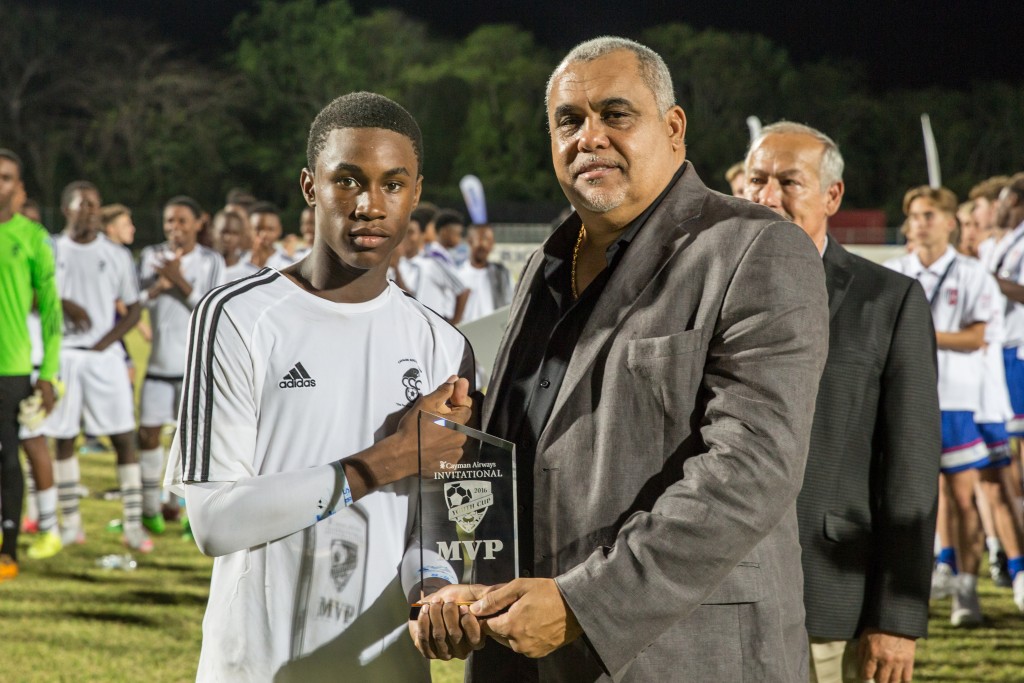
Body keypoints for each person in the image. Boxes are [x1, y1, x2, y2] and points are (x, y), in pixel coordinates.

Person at [415, 36, 829, 681]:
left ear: (672, 127)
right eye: (568, 120)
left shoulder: (754, 249)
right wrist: (461, 578)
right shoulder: (543, 265)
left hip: (681, 651)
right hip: (522, 652)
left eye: (616, 114)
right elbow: (522, 451)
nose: (590, 137)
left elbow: (751, 469)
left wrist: (584, 603)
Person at [164, 91, 476, 681]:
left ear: (415, 192)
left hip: (383, 668)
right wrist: (385, 460)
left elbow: (431, 529)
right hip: (254, 664)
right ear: (311, 188)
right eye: (348, 181)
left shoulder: (442, 344)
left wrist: (437, 588)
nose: (369, 205)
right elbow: (214, 521)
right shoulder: (235, 316)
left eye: (392, 184)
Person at [745, 122, 940, 682]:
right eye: (756, 180)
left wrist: (897, 618)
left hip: (827, 599)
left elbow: (910, 469)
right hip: (703, 598)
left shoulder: (889, 300)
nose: (767, 196)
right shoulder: (702, 289)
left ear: (832, 195)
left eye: (788, 181)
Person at [885, 185, 999, 627]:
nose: (920, 223)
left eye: (929, 215)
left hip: (955, 401)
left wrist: (922, 336)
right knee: (909, 499)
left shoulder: (972, 274)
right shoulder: (896, 272)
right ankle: (922, 580)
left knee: (964, 500)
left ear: (950, 222)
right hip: (906, 398)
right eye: (914, 215)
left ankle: (966, 591)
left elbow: (976, 336)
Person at [44, 181, 149, 551]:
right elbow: (33, 296)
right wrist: (65, 304)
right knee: (63, 438)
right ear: (66, 209)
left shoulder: (116, 255)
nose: (89, 211)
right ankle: (71, 523)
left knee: (123, 437)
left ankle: (133, 524)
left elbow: (134, 308)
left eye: (94, 204)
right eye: (82, 204)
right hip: (63, 357)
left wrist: (107, 341)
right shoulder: (50, 248)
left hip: (104, 358)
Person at [136, 196, 226, 535]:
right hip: (158, 365)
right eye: (169, 222)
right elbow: (136, 299)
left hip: (194, 369)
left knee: (191, 443)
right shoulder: (151, 256)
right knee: (147, 435)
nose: (175, 228)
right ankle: (150, 510)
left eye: (182, 221)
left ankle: (189, 514)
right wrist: (160, 284)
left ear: (198, 223)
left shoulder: (210, 260)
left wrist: (179, 280)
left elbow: (210, 307)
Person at [0, 149, 63, 579]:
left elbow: (53, 315)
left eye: (5, 177)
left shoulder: (33, 237)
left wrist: (49, 374)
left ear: (18, 187)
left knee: (8, 459)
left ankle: (9, 549)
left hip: (12, 366)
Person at [400, 215, 470, 325]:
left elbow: (462, 290)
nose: (404, 237)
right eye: (401, 232)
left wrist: (454, 324)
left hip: (434, 328)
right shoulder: (394, 265)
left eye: (410, 232)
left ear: (422, 236)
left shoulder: (432, 262)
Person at [457, 224, 513, 324]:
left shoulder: (502, 275)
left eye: (488, 240)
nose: (484, 245)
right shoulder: (458, 275)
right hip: (466, 335)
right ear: (469, 241)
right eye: (481, 239)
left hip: (495, 335)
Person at [212, 209, 259, 283]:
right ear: (213, 232)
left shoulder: (252, 275)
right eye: (223, 232)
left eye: (234, 233)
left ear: (241, 236)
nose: (228, 238)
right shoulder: (200, 268)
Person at [248, 201, 295, 270]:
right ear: (248, 229)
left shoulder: (288, 266)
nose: (263, 234)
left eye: (270, 229)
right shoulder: (235, 261)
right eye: (258, 228)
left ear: (279, 230)